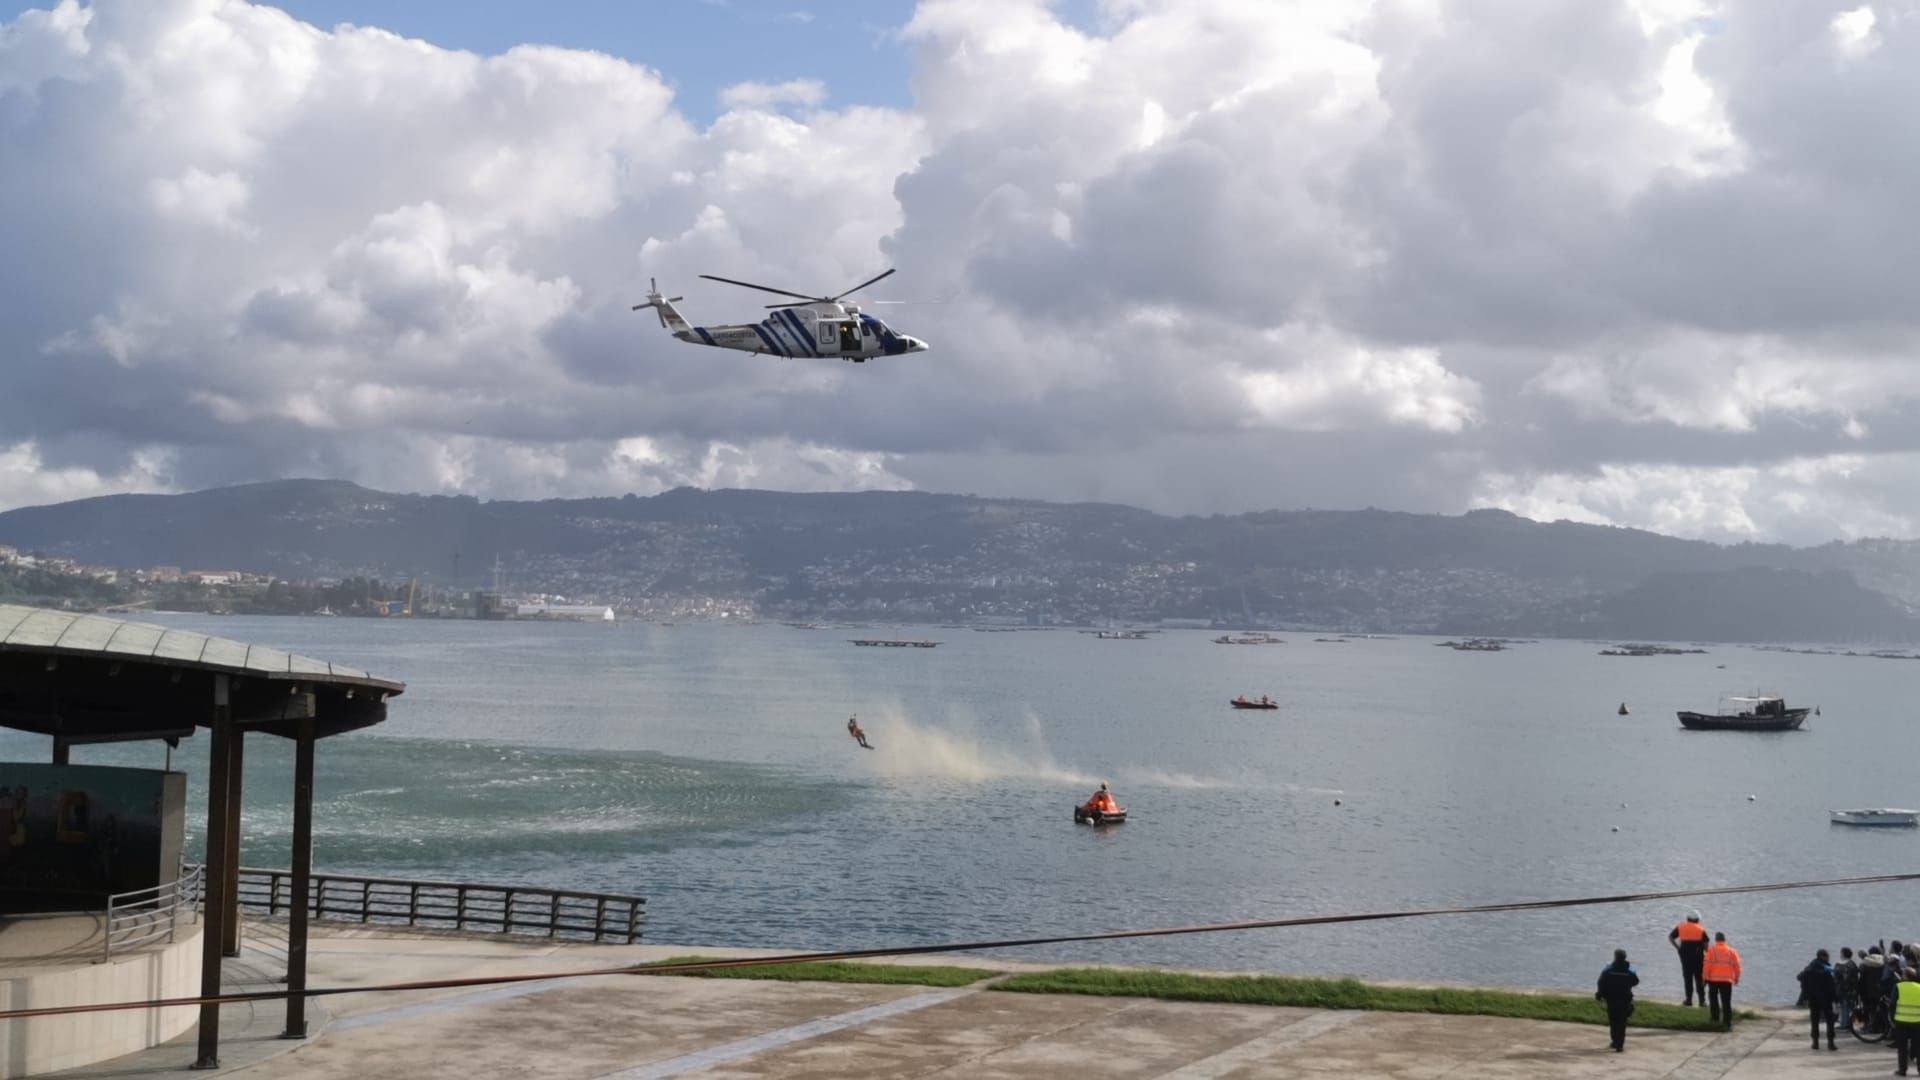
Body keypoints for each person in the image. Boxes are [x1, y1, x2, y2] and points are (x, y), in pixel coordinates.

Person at [1595, 948, 1639, 1052]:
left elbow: (1601, 982)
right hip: (1625, 999)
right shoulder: (1630, 970)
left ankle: (1615, 1040)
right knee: (1622, 1021)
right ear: (1625, 957)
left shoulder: (1609, 969)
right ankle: (1620, 1044)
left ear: (1615, 957)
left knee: (1613, 1020)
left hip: (1611, 999)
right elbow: (1635, 981)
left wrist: (1599, 994)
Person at [1798, 949, 1838, 1051]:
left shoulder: (1810, 968)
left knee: (1814, 1020)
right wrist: (1835, 998)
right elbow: (1831, 985)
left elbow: (1799, 977)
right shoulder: (1827, 969)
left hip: (1813, 998)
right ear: (1823, 957)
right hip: (1826, 998)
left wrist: (1805, 996)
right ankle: (1831, 1043)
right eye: (1827, 956)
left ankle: (1815, 1043)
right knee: (1830, 1021)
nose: (1829, 958)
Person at [1669, 910, 1709, 1006]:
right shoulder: (1701, 929)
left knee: (1687, 978)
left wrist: (1678, 947)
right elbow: (1706, 945)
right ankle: (1702, 1001)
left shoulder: (1680, 927)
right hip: (1698, 957)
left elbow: (1670, 937)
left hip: (1685, 957)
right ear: (1698, 920)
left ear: (1687, 919)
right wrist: (1709, 956)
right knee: (1699, 978)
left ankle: (1688, 1000)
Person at [1702, 932, 1742, 1030]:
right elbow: (1737, 967)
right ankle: (1727, 1022)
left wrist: (1705, 979)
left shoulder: (1711, 951)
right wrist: (1736, 978)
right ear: (1724, 940)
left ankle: (1715, 1019)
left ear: (1716, 940)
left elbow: (1707, 966)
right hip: (1727, 981)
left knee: (1713, 1000)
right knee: (1726, 1002)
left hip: (1713, 980)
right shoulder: (1732, 951)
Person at [1897, 968, 1920, 1076]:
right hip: (1917, 1022)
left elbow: (1892, 1004)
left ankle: (1902, 1070)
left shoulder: (1898, 987)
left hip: (1901, 1022)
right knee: (1918, 1046)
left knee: (1902, 1048)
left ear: (1905, 976)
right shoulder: (1919, 988)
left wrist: (1893, 1017)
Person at [1838, 946, 1860, 1034]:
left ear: (1843, 954)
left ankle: (1845, 1025)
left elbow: (1844, 979)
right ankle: (1849, 1024)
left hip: (1846, 990)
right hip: (1852, 990)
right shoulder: (1853, 964)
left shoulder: (1844, 964)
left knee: (1844, 1008)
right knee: (1850, 1007)